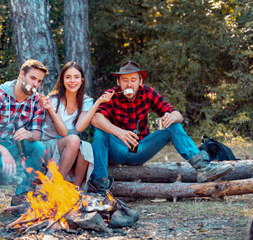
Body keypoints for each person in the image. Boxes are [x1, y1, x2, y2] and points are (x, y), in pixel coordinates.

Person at [90, 60, 234, 193]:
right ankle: (101, 185)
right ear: (118, 82)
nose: (129, 84)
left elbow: (177, 114)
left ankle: (202, 167)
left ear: (140, 81)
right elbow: (96, 118)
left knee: (173, 126)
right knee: (100, 133)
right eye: (125, 80)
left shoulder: (147, 92)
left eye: (133, 80)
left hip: (140, 149)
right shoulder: (111, 95)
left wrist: (171, 116)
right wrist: (120, 133)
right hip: (117, 150)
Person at [0, 59, 48, 218]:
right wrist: (2, 150)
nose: (36, 84)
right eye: (32, 78)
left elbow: (37, 134)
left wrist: (29, 134)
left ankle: (21, 196)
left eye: (39, 81)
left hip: (16, 151)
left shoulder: (37, 101)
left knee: (39, 147)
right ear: (21, 74)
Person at [40, 61, 113, 190]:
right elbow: (63, 132)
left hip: (70, 146)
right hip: (48, 144)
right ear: (62, 80)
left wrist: (98, 102)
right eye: (68, 77)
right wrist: (50, 109)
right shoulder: (53, 99)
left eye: (76, 77)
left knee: (85, 148)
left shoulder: (86, 101)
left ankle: (76, 190)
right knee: (75, 140)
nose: (72, 81)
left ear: (82, 80)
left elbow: (79, 127)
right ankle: (55, 187)